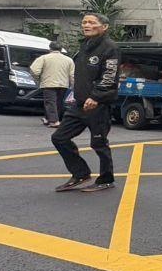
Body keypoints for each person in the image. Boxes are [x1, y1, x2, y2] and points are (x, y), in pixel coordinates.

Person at [51, 14, 120, 193]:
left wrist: (96, 97)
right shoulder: (84, 46)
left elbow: (109, 76)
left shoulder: (109, 48)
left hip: (98, 105)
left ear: (104, 27)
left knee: (99, 143)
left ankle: (106, 179)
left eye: (91, 22)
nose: (86, 25)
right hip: (79, 104)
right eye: (84, 22)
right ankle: (80, 173)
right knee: (59, 137)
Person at [31, 41, 74, 128]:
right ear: (61, 49)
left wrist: (38, 79)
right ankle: (48, 119)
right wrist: (73, 85)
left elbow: (34, 70)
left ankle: (54, 121)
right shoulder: (69, 60)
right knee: (58, 103)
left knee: (50, 102)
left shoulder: (44, 58)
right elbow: (72, 74)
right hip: (63, 84)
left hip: (48, 83)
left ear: (50, 48)